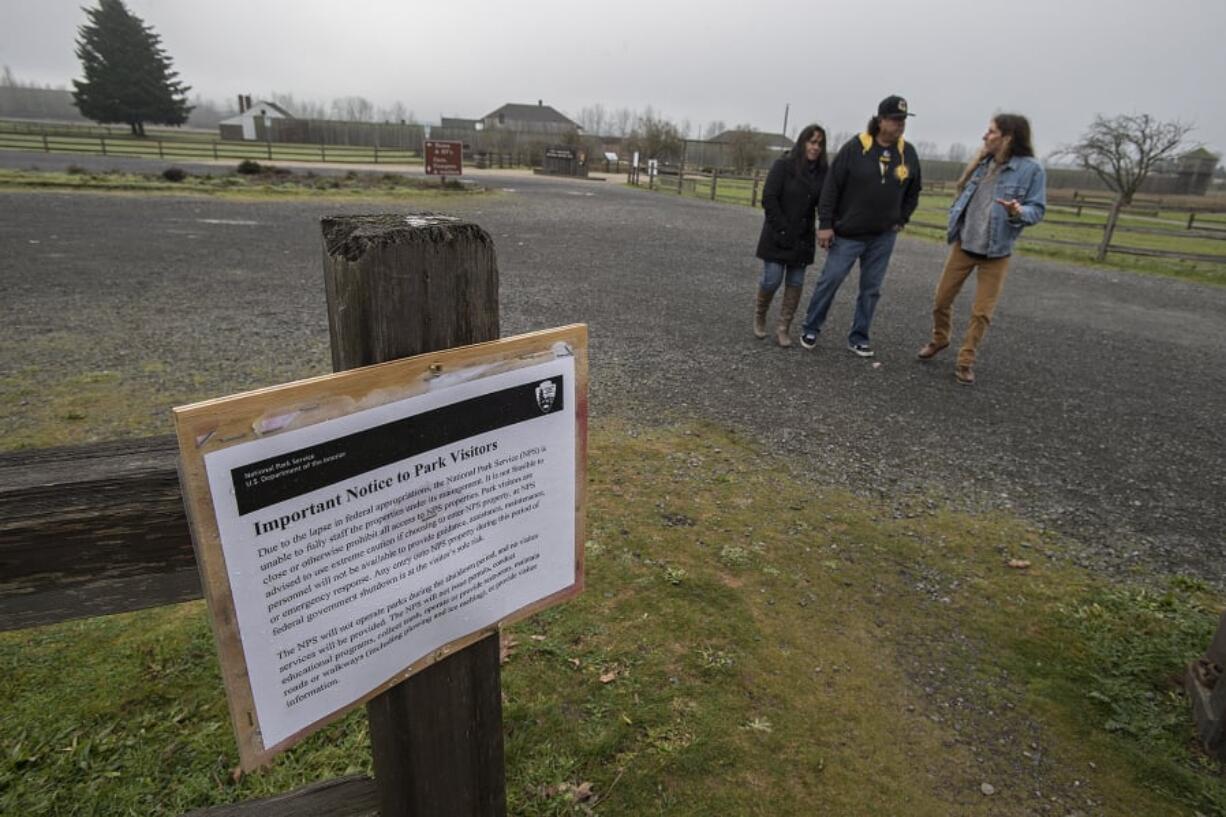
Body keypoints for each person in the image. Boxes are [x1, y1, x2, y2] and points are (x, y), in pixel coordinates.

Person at [916, 114, 1046, 385]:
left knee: (982, 312)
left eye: (991, 132)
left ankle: (966, 360)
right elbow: (963, 197)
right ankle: (940, 339)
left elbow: (1037, 209)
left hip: (996, 253)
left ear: (1008, 137)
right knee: (941, 300)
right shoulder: (982, 163)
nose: (985, 136)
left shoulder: (1032, 170)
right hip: (965, 245)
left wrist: (1017, 211)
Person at [799, 95, 922, 357]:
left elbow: (914, 190)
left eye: (904, 120)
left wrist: (902, 218)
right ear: (880, 121)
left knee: (871, 289)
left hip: (882, 237)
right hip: (848, 234)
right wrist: (826, 224)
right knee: (830, 280)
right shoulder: (856, 148)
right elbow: (831, 187)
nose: (901, 124)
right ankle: (811, 326)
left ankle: (859, 336)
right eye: (895, 119)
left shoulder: (907, 152)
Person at [753, 124, 829, 347]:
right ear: (803, 142)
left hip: (802, 237)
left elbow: (825, 202)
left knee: (795, 282)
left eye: (820, 144)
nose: (815, 147)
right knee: (772, 278)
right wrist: (782, 228)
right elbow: (769, 197)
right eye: (812, 142)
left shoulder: (823, 173)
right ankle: (760, 315)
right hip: (778, 231)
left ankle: (783, 328)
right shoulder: (783, 165)